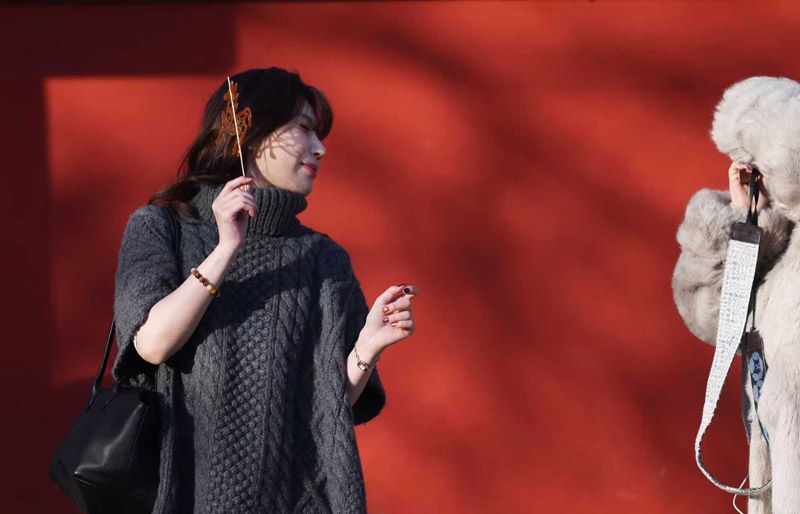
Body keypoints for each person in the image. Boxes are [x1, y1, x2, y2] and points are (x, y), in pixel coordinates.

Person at [111, 67, 418, 513]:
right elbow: (152, 345)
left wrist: (367, 348)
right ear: (251, 135)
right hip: (187, 497)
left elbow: (329, 409)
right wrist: (225, 249)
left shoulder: (324, 258)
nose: (320, 147)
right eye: (304, 129)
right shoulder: (162, 227)